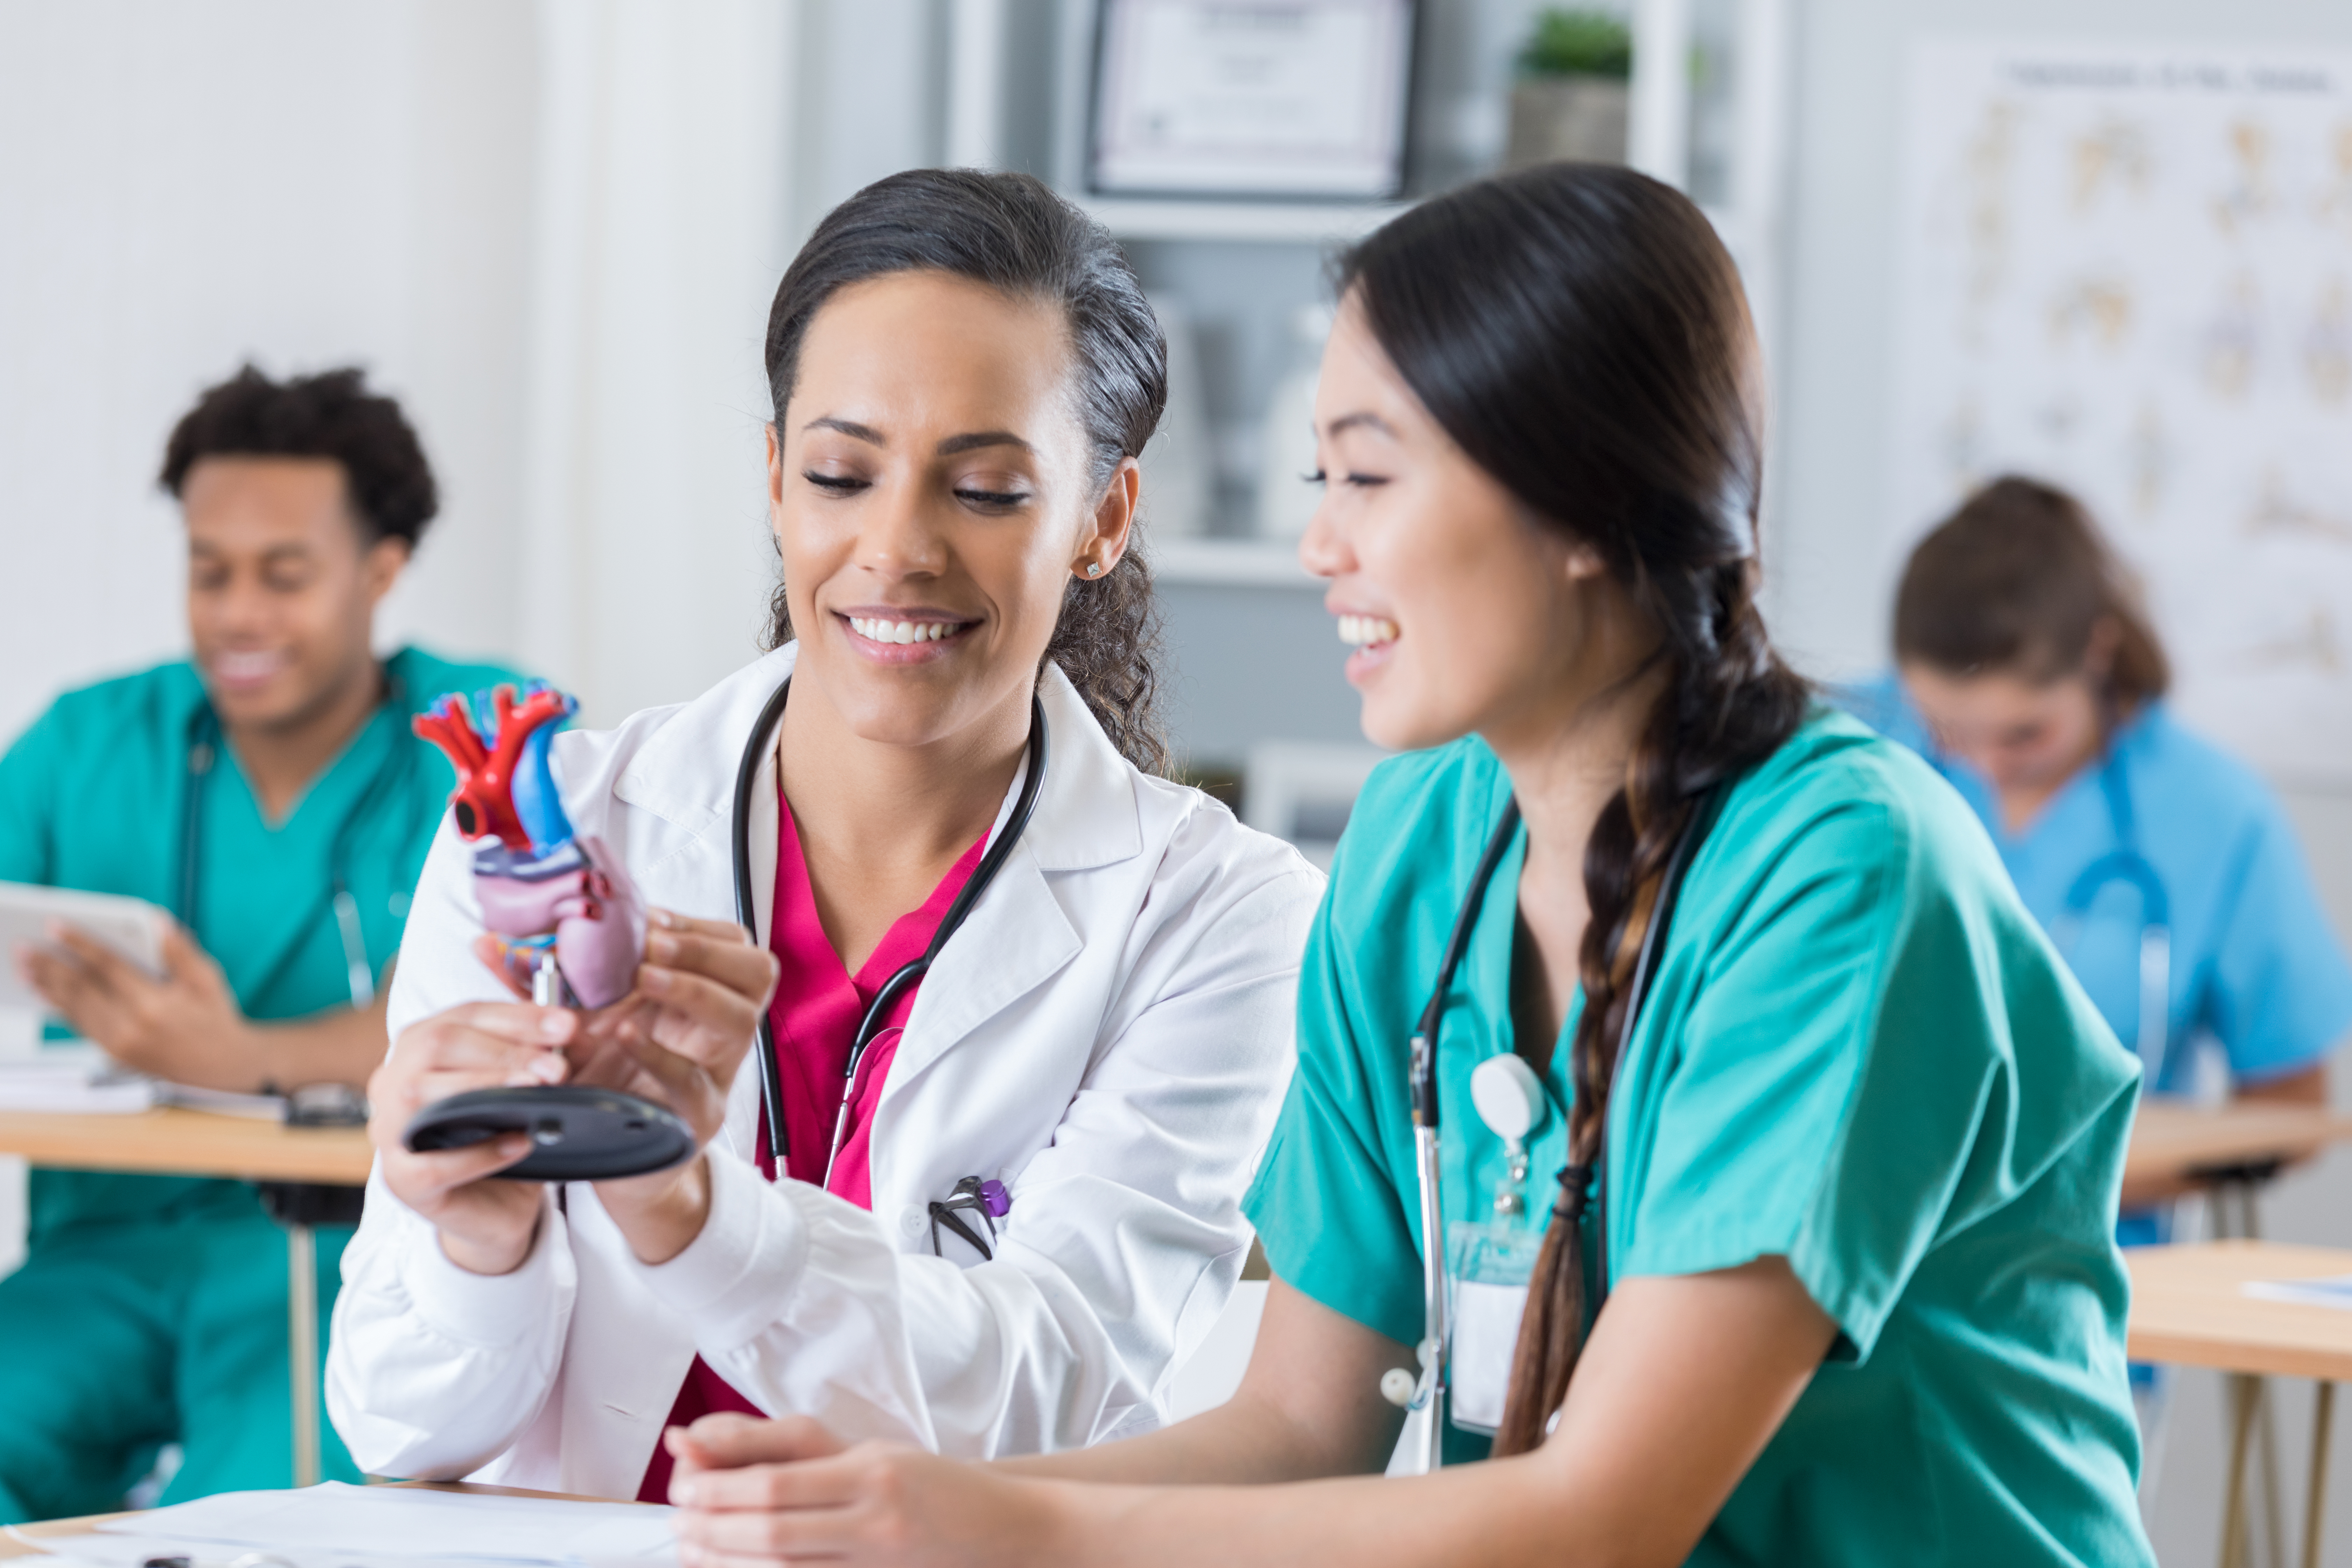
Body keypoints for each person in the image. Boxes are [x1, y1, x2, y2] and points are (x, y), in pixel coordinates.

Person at [649, 163, 2156, 1568]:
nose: (1320, 545)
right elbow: (1306, 1427)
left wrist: (1023, 1535)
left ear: (1580, 502)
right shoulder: (1423, 845)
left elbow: (1606, 1512)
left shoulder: (1845, 876)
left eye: (1368, 478)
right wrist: (926, 1502)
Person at [325, 169, 1322, 1502]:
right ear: (778, 483)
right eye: (844, 474)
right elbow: (396, 1431)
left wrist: (693, 1215)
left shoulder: (1218, 915)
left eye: (984, 490)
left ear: (1103, 519)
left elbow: (1056, 1392)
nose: (895, 547)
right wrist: (478, 1246)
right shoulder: (553, 830)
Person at [0, 366, 523, 1521]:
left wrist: (232, 1055)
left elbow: (516, 1010)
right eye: (210, 571)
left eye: (285, 576)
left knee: (275, 1510)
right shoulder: (87, 746)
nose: (239, 613)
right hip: (103, 1255)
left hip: (333, 1257)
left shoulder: (487, 738)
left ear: (381, 571)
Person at [1850, 477, 2351, 1241]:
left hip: (2088, 1291)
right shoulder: (1850, 761)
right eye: (1949, 730)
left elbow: (2293, 1103)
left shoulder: (2214, 813)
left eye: (2024, 734)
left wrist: (2064, 1186)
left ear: (2098, 652)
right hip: (1850, 1276)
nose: (1985, 763)